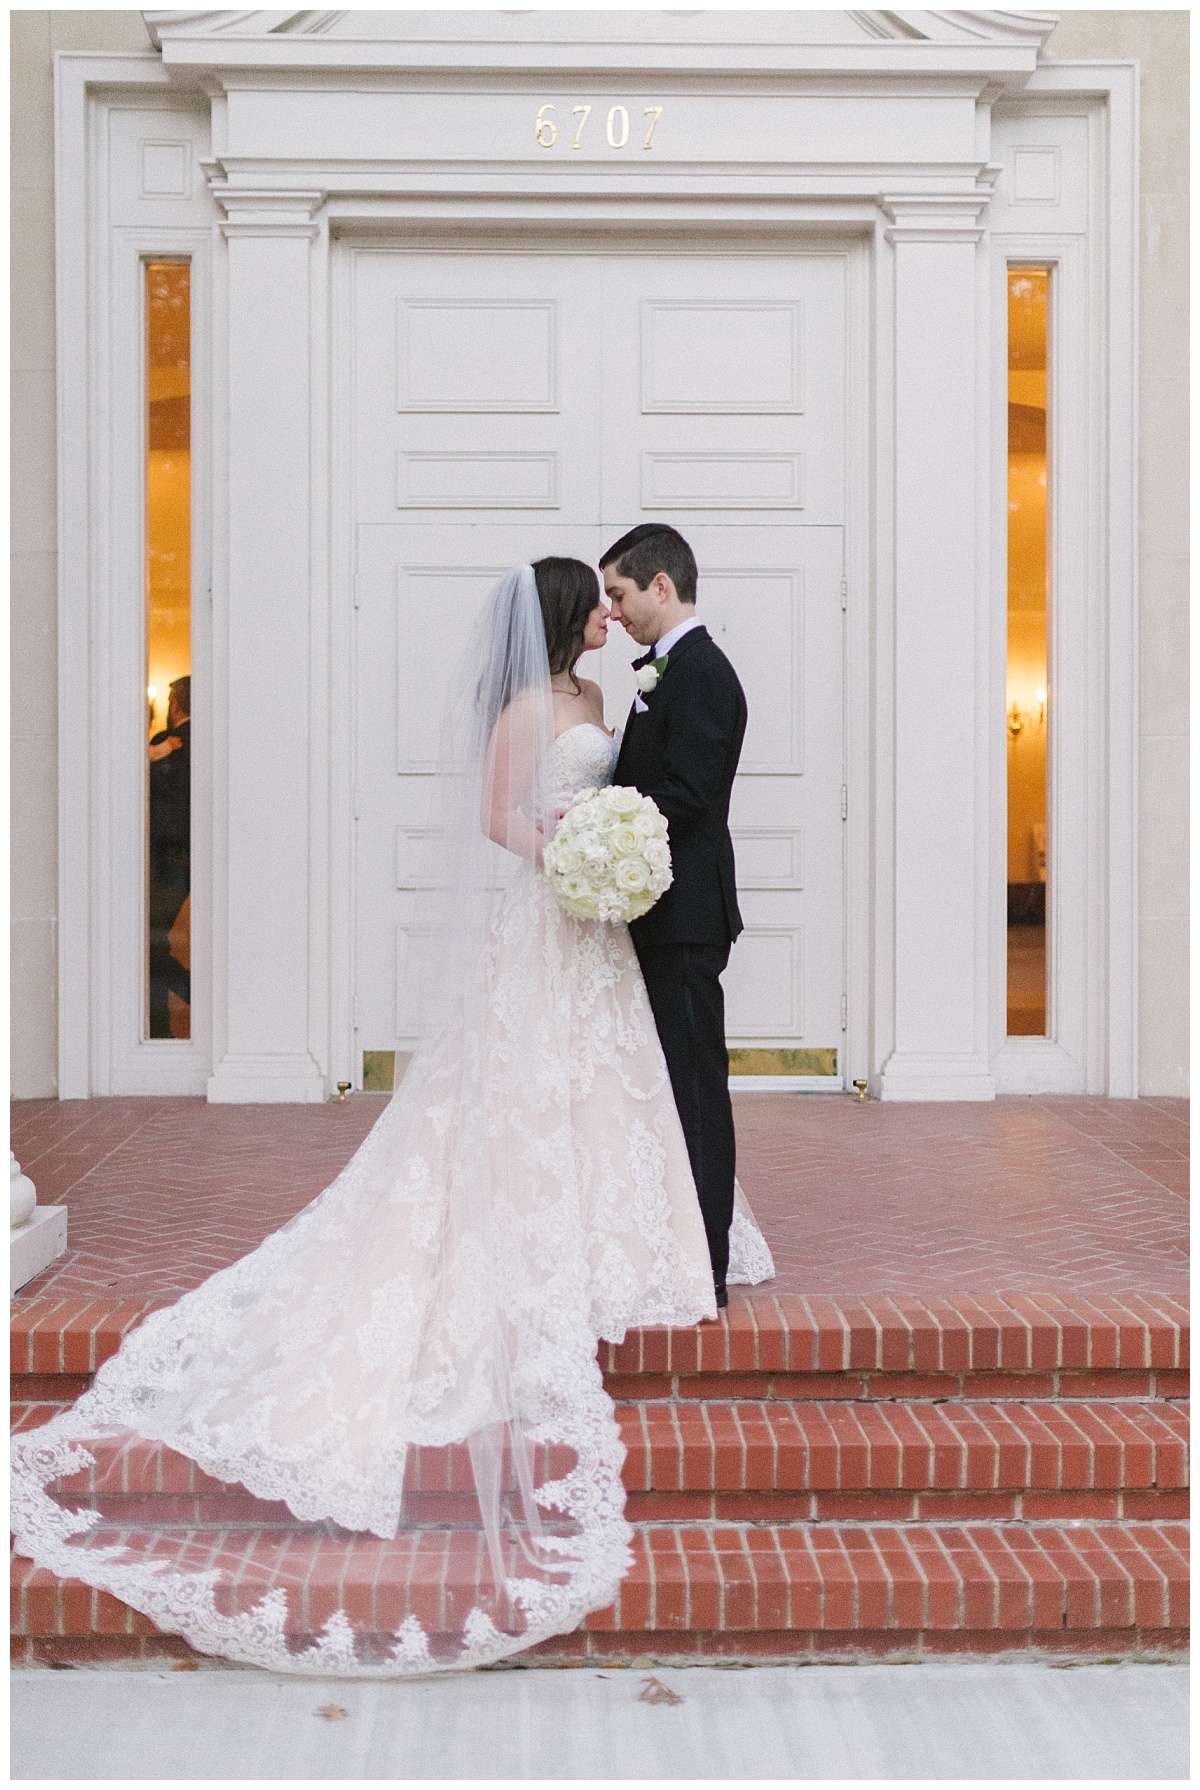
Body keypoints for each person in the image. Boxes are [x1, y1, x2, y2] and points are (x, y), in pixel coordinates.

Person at [11, 562, 772, 1677]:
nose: (613, 614)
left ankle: (635, 1233)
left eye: (623, 596)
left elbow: (623, 794)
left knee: (611, 1080)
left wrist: (613, 860)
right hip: (543, 917)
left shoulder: (606, 705)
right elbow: (497, 816)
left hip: (596, 936)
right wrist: (567, 856)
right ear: (566, 615)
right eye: (598, 601)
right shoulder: (524, 709)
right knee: (512, 1090)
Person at [602, 526, 746, 1308]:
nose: (613, 612)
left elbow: (687, 797)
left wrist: (604, 831)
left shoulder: (703, 675)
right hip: (662, 914)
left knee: (694, 1088)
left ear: (662, 585)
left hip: (685, 915)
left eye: (621, 594)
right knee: (671, 1085)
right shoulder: (672, 670)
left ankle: (706, 1268)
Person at [148, 675, 191, 1034]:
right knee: (153, 946)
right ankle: (159, 1029)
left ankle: (193, 995)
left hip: (165, 858)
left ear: (175, 705)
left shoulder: (167, 743)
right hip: (193, 856)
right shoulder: (211, 742)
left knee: (150, 945)